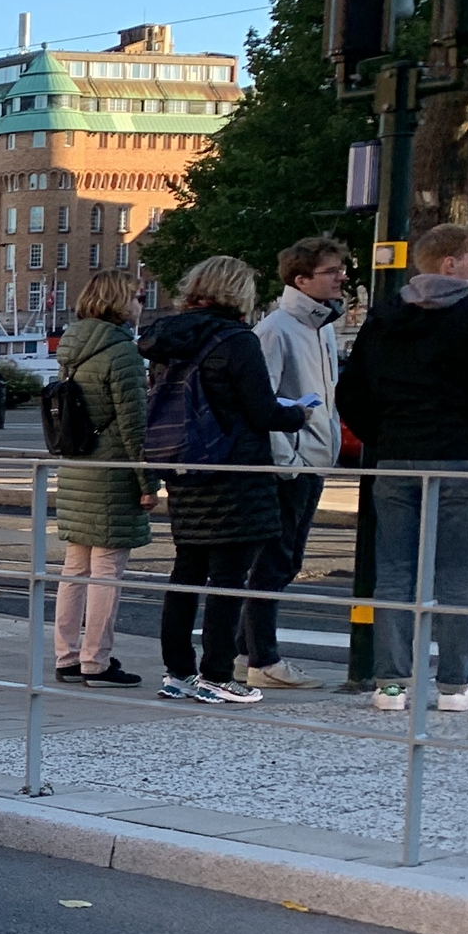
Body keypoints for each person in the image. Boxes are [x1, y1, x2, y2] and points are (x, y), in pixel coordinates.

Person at [137, 255, 305, 705]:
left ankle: (177, 672)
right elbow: (262, 412)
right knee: (230, 576)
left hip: (184, 467)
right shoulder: (237, 340)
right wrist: (299, 413)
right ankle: (217, 673)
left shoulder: (168, 340)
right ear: (237, 292)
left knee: (187, 570)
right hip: (234, 470)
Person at [335, 222, 468, 712]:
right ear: (451, 263)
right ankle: (454, 683)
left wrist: (385, 433)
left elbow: (349, 392)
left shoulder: (385, 316)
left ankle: (390, 683)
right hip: (460, 456)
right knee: (457, 572)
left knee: (393, 569)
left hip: (395, 455)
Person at [241, 236, 349, 689]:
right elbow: (262, 401)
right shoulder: (277, 329)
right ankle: (262, 658)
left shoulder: (322, 326)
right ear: (301, 280)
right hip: (293, 462)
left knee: (284, 558)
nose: (342, 276)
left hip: (313, 458)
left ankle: (247, 652)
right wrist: (289, 459)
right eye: (331, 271)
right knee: (275, 560)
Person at [50, 272, 154, 688]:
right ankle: (97, 661)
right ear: (120, 302)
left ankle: (67, 657)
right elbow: (133, 426)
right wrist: (148, 483)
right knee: (107, 569)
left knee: (75, 568)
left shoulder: (72, 347)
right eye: (136, 297)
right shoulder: (122, 352)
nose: (140, 303)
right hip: (111, 471)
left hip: (77, 466)